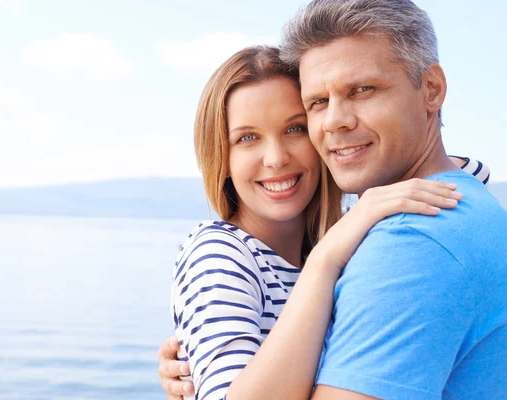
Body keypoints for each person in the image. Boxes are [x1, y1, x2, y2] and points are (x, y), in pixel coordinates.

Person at [160, 0, 507, 399]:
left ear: (431, 89)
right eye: (318, 103)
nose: (335, 121)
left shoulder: (413, 236)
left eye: (363, 90)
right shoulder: (347, 236)